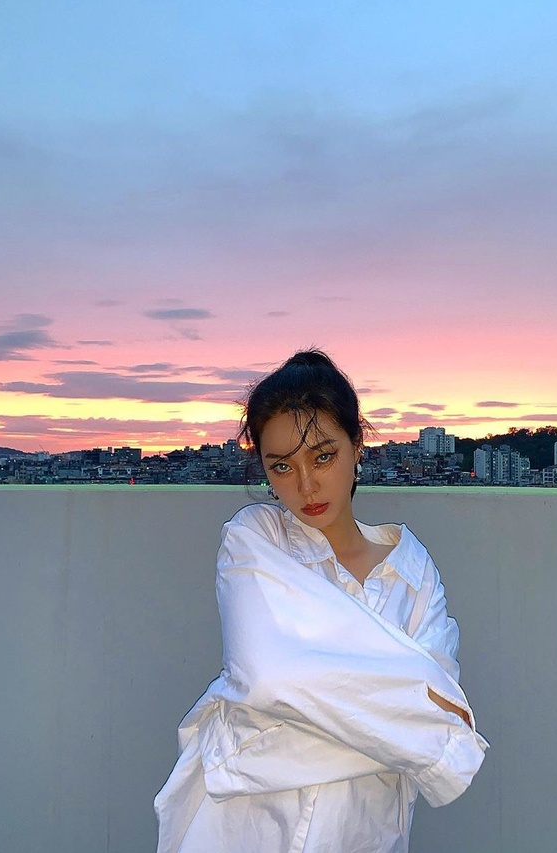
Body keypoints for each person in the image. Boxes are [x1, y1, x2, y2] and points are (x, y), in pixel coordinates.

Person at [155, 349, 487, 853]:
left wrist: (265, 735)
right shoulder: (255, 538)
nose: (306, 484)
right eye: (281, 466)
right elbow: (269, 677)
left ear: (357, 446)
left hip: (363, 833)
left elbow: (444, 717)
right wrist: (402, 728)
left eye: (323, 456)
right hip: (242, 831)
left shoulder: (412, 571)